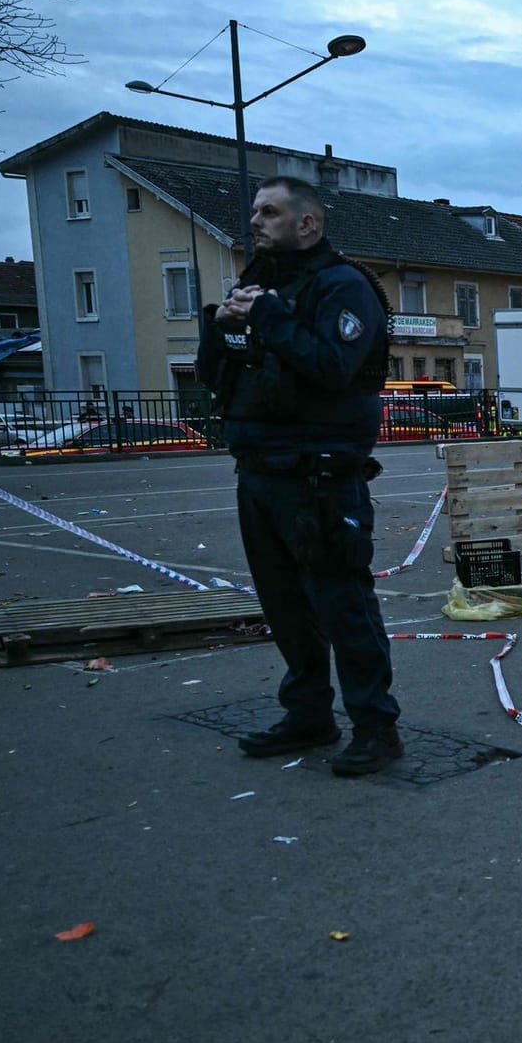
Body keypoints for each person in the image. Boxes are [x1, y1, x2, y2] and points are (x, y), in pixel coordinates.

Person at [195, 175, 404, 777]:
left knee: (343, 604)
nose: (255, 222)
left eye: (269, 212)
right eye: (255, 212)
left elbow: (332, 366)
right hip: (258, 470)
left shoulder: (343, 286)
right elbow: (215, 373)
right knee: (284, 606)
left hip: (320, 474)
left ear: (307, 223)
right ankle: (309, 713)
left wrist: (269, 316)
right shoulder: (258, 284)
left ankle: (375, 727)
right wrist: (226, 324)